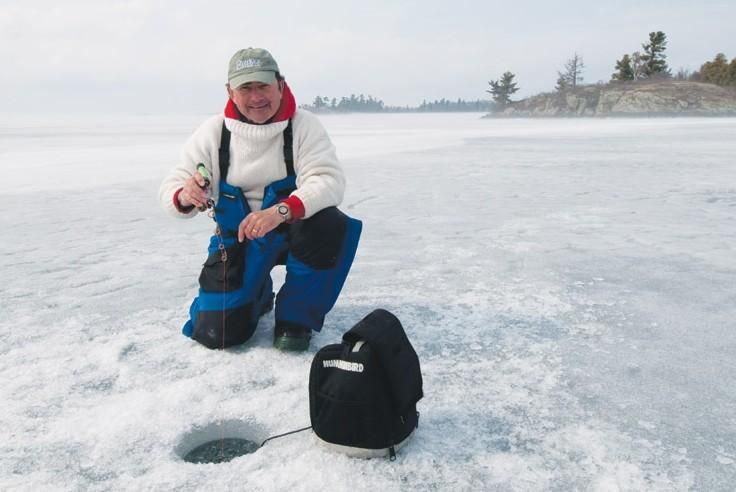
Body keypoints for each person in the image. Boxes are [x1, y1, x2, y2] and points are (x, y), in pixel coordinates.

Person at [159, 47, 361, 352]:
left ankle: (296, 319)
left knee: (330, 224)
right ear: (230, 92)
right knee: (218, 335)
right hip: (237, 240)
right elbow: (172, 186)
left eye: (263, 86)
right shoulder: (214, 132)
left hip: (294, 231)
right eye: (246, 88)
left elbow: (329, 181)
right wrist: (185, 194)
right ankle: (257, 293)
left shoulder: (303, 126)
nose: (256, 97)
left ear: (280, 84)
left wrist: (281, 211)